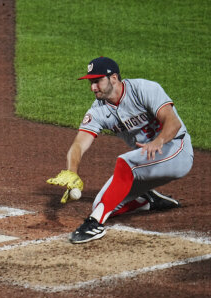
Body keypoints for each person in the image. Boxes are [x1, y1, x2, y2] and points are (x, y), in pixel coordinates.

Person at [47, 57, 193, 244]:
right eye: (91, 82)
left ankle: (94, 224)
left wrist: (158, 141)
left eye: (97, 81)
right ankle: (147, 201)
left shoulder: (144, 89)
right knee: (100, 204)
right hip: (145, 161)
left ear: (113, 78)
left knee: (125, 162)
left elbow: (173, 122)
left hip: (176, 150)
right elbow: (78, 145)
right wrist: (72, 172)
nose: (93, 87)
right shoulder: (98, 111)